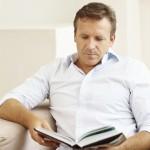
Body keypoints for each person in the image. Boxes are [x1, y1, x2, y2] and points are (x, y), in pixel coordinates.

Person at [1, 2, 150, 150]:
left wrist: (121, 149)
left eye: (99, 38)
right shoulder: (54, 70)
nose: (91, 46)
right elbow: (7, 104)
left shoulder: (133, 70)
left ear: (112, 39)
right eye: (84, 37)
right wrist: (31, 120)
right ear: (74, 36)